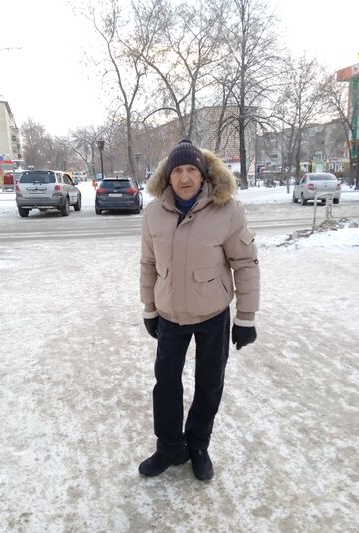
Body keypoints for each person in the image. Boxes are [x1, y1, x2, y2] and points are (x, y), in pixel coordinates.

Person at [139, 139, 260, 481]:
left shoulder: (228, 210)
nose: (184, 177)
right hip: (170, 316)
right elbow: (148, 264)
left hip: (212, 316)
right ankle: (169, 448)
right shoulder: (153, 215)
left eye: (191, 169)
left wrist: (246, 317)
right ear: (168, 176)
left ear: (203, 174)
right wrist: (149, 309)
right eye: (177, 170)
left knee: (209, 383)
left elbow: (245, 263)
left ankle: (197, 445)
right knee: (166, 384)